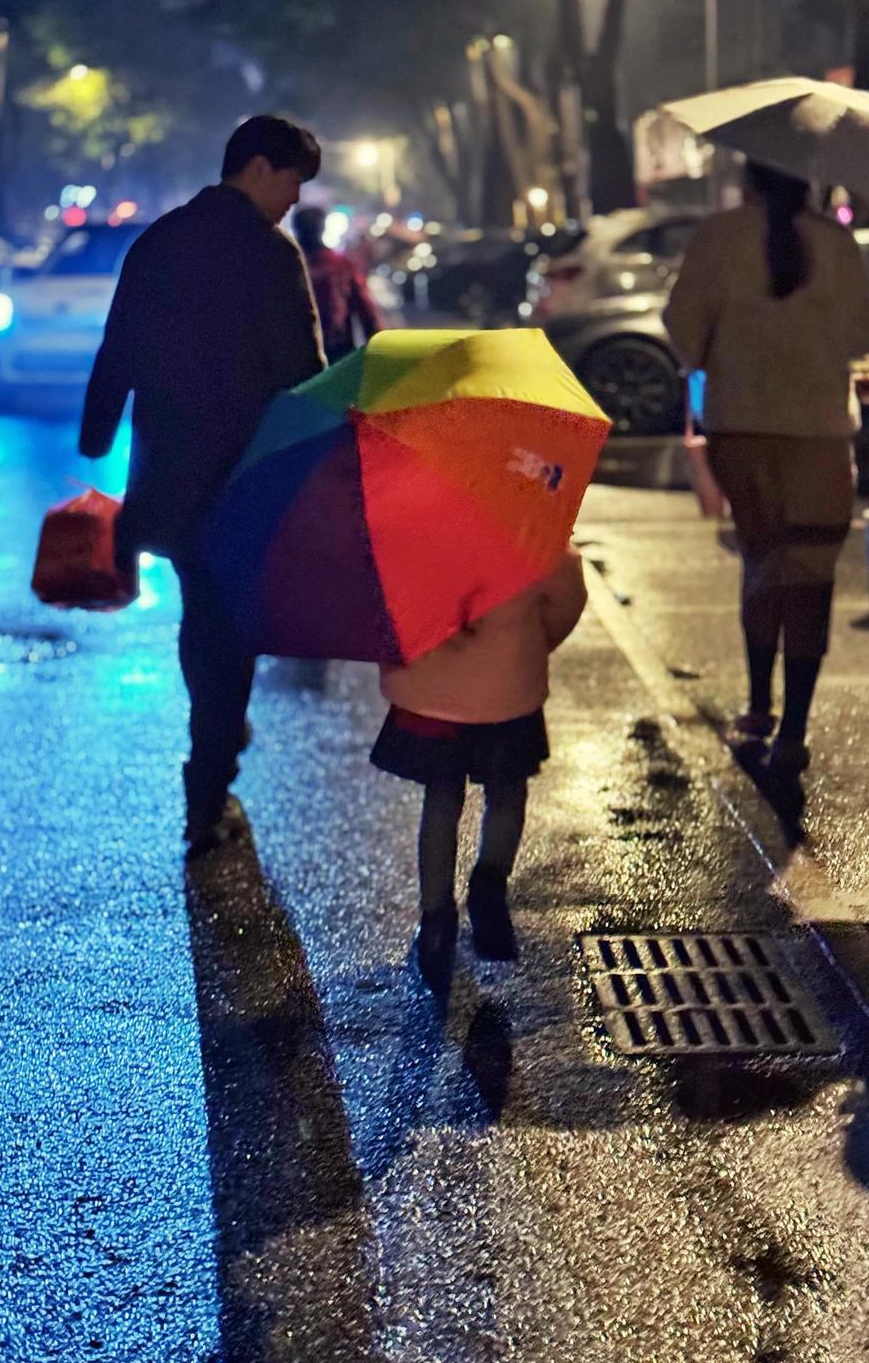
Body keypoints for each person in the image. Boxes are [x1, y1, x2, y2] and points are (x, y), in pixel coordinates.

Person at [79, 115, 326, 850]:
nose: (293, 198)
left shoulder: (159, 241)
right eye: (290, 180)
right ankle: (208, 779)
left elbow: (117, 343)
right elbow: (301, 374)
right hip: (246, 477)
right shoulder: (272, 256)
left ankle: (214, 747)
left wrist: (96, 433)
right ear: (255, 167)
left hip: (171, 469)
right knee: (230, 624)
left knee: (203, 613)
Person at [663, 161, 869, 775]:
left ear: (751, 176)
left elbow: (683, 333)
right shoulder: (837, 243)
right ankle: (795, 732)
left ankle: (758, 707)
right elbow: (863, 337)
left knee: (762, 563)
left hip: (740, 430)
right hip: (819, 434)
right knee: (809, 576)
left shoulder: (717, 236)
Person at [370, 548, 588, 989]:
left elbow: (390, 602)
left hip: (437, 691)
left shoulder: (422, 529)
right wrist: (529, 642)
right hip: (506, 686)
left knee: (441, 798)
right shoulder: (528, 531)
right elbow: (567, 598)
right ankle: (489, 888)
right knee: (507, 792)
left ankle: (435, 923)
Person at [291, 205, 388, 362]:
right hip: (338, 351)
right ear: (322, 228)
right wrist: (380, 349)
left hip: (297, 354)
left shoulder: (286, 266)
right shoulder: (340, 265)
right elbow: (365, 308)